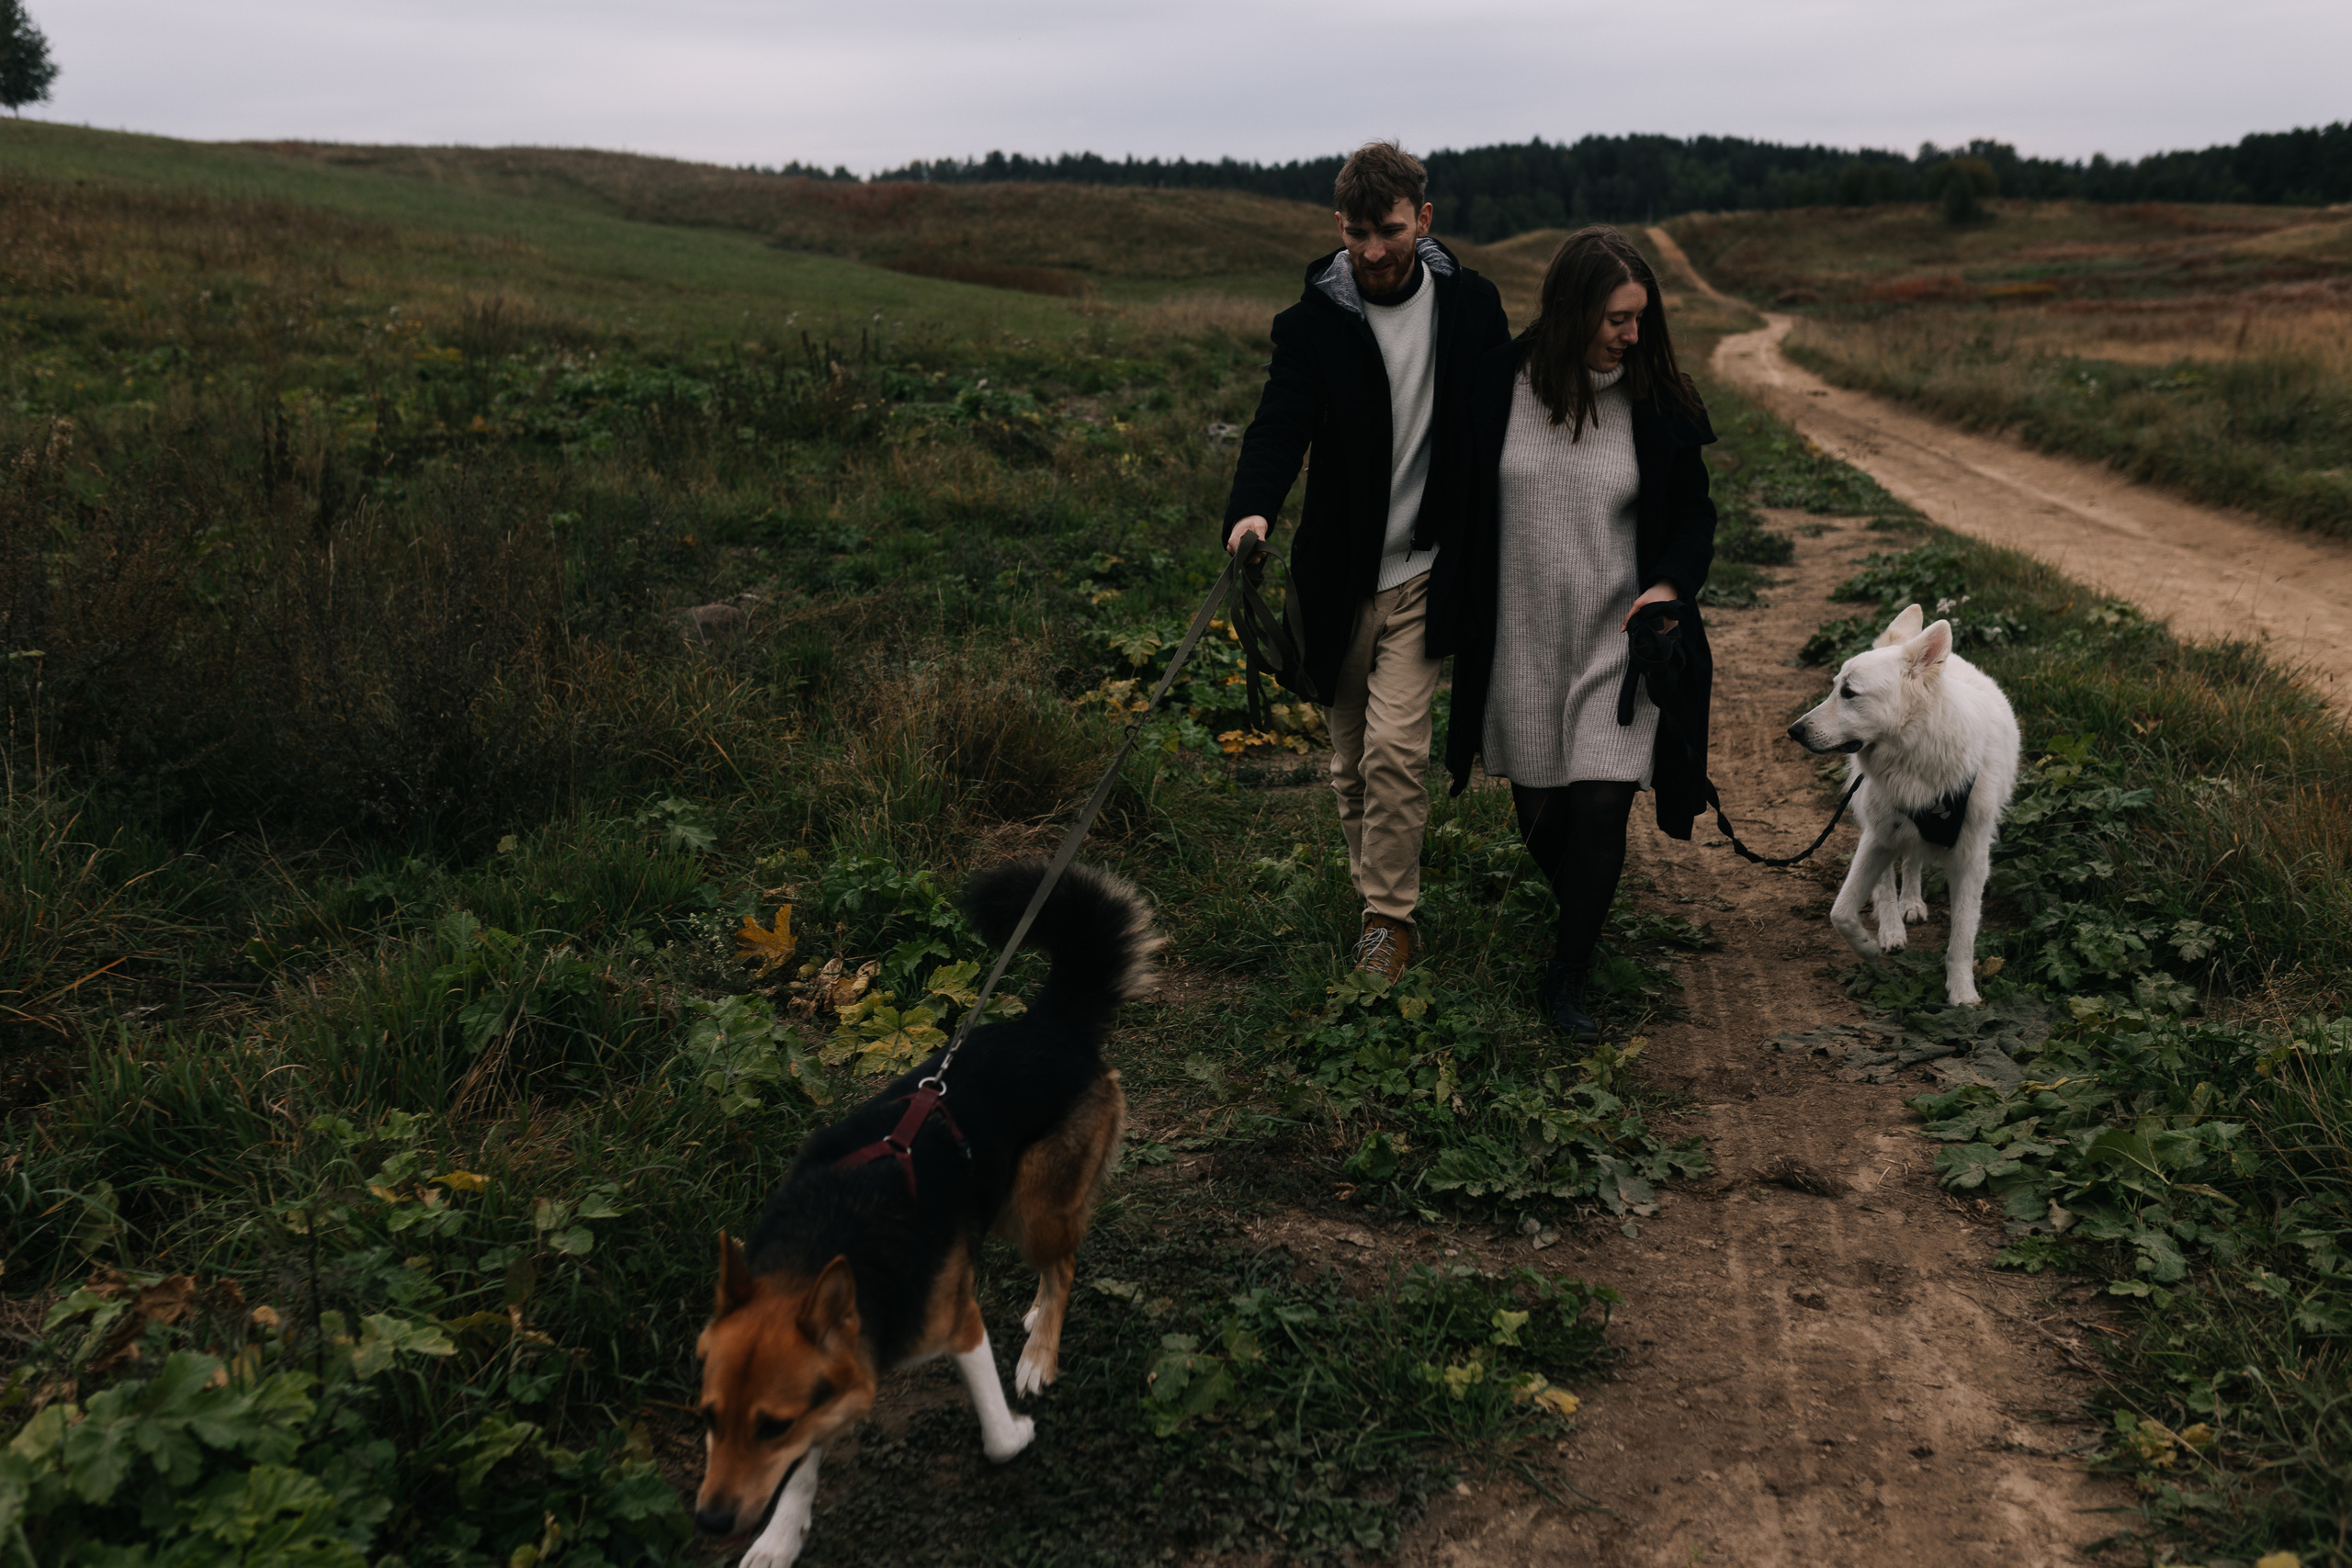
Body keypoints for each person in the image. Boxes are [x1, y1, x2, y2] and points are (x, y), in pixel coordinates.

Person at [1221, 141, 1510, 982]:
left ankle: (1388, 921)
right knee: (1350, 763)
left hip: (1426, 572)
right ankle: (1373, 896)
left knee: (1393, 752)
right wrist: (1251, 509)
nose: (1374, 251)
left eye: (1389, 230)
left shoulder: (1472, 307)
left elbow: (1506, 416)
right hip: (1339, 582)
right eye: (1357, 234)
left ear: (1423, 219)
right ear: (1338, 226)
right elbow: (1279, 424)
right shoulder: (1312, 324)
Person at [1435, 226, 1719, 1039]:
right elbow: (1453, 492)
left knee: (1600, 806)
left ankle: (1569, 974)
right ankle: (1584, 912)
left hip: (1615, 641)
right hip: (1519, 639)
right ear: (1571, 308)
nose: (1632, 335)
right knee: (1543, 819)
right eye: (1616, 319)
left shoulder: (1657, 399)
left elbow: (1694, 515)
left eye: (1640, 319)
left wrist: (1667, 585)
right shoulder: (1496, 383)